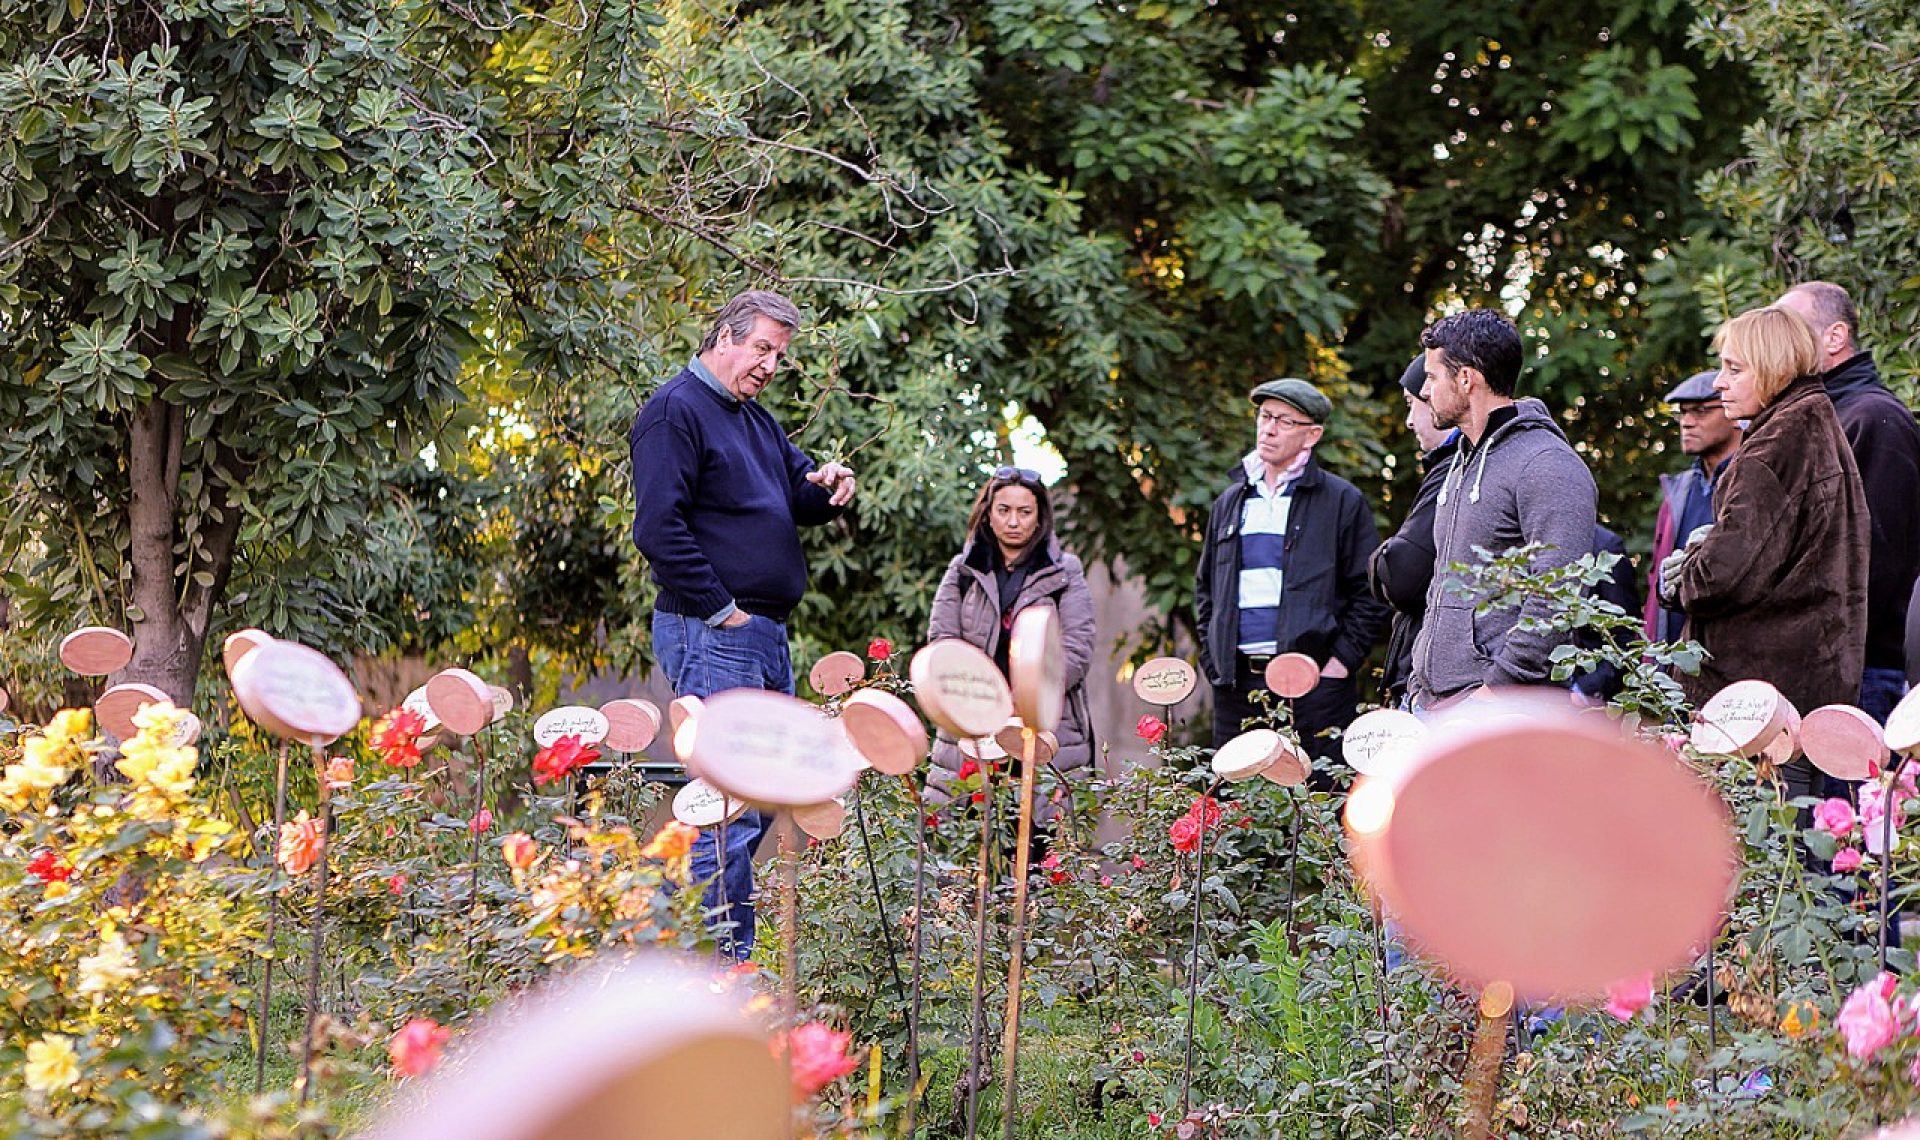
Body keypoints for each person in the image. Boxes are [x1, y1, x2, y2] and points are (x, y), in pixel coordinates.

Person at [628, 289, 857, 959]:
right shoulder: (674, 413)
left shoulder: (754, 420)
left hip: (761, 635)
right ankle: (712, 970)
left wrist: (830, 486)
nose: (770, 365)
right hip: (713, 631)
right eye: (762, 348)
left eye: (779, 355)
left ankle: (669, 945)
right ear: (723, 338)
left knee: (753, 800)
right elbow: (657, 529)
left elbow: (796, 495)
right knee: (726, 808)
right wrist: (722, 609)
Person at [1661, 305, 1868, 795]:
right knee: (1794, 855)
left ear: (1773, 367)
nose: (1718, 383)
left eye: (1734, 369)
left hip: (1756, 706)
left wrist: (1684, 572)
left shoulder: (1776, 443)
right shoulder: (1814, 422)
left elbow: (1720, 576)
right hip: (1801, 689)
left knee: (1757, 857)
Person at [1408, 309, 1598, 709]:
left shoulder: (1547, 463)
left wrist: (1494, 692)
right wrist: (1417, 685)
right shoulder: (1460, 463)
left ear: (1466, 378)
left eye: (1431, 377)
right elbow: (1439, 587)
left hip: (1500, 708)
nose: (1425, 392)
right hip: (1436, 703)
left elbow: (1557, 597)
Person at [1194, 378, 1387, 764]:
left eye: (1284, 420)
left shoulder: (1341, 501)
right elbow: (1206, 592)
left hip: (1315, 687)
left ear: (1312, 434)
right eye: (1265, 416)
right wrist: (1214, 664)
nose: (1268, 428)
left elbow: (1371, 594)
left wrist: (1338, 666)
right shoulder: (1231, 502)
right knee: (1236, 815)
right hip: (1237, 690)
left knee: (1315, 808)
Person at [1775, 282, 1920, 722]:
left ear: (1835, 337)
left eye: (1790, 329)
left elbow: (1882, 564)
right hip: (1820, 669)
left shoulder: (1876, 419)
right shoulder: (1816, 418)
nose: (1777, 344)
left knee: (1854, 795)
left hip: (1864, 673)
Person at [926, 468, 1097, 832]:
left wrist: (1028, 697)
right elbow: (942, 641)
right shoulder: (963, 570)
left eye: (1025, 512)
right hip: (973, 721)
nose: (1014, 522)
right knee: (966, 843)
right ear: (988, 512)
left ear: (1040, 517)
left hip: (1044, 724)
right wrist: (982, 699)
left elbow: (1077, 649)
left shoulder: (1064, 572)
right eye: (1004, 510)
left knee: (1044, 847)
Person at [1369, 355, 1460, 706]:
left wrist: (1380, 559)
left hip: (1439, 688)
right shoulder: (1448, 467)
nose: (1409, 421)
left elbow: (1402, 573)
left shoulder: (1452, 469)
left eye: (1413, 404)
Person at [1644, 371, 1743, 644]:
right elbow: (1658, 582)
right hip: (1674, 657)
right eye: (1683, 413)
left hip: (1729, 655)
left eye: (1700, 411)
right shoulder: (1677, 492)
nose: (1687, 423)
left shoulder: (1751, 481)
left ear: (1735, 414)